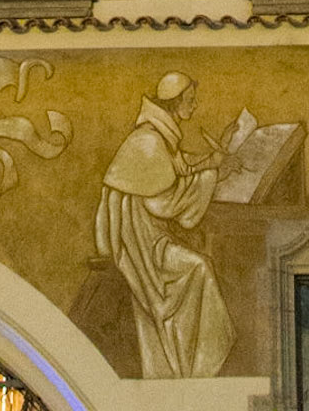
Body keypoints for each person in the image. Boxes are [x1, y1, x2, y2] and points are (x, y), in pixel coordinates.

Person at [94, 71, 234, 379]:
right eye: (191, 101)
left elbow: (178, 167)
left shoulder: (157, 138)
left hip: (152, 239)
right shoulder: (146, 141)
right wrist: (209, 175)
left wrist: (211, 163)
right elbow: (166, 203)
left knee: (199, 266)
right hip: (142, 249)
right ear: (176, 102)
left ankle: (191, 362)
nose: (195, 107)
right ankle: (196, 366)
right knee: (200, 268)